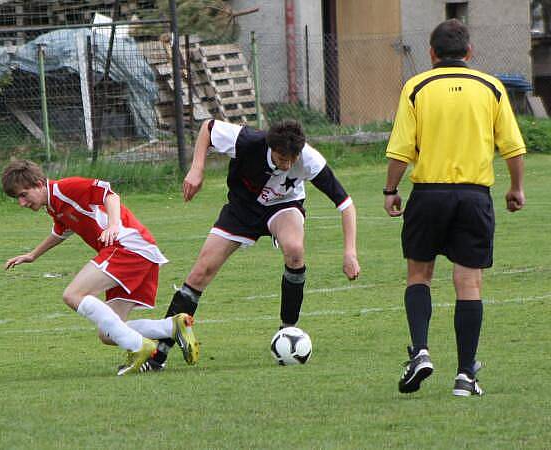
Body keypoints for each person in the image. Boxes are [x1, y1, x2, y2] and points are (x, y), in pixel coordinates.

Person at [140, 118, 361, 371]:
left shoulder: (308, 159)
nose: (288, 164)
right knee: (201, 272)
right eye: (281, 158)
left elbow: (346, 204)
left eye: (292, 158)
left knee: (295, 250)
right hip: (242, 210)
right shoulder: (247, 140)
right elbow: (208, 128)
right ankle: (159, 354)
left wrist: (350, 253)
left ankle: (288, 331)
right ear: (271, 148)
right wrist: (197, 168)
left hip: (283, 207)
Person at [384, 19, 526, 396]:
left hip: (428, 194)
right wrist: (516, 188)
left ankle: (421, 352)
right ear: (470, 52)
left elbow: (400, 149)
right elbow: (513, 148)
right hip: (474, 197)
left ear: (431, 53)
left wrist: (390, 189)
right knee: (469, 283)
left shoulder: (416, 87)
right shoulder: (491, 87)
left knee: (419, 276)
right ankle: (465, 375)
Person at [2, 159, 200, 375]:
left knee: (72, 294)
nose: (21, 202)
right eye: (17, 198)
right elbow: (61, 230)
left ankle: (139, 346)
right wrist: (32, 255)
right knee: (108, 334)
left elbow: (110, 195)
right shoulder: (53, 205)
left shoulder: (66, 188)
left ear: (39, 184)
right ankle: (174, 327)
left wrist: (114, 225)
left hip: (128, 246)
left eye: (23, 194)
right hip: (138, 252)